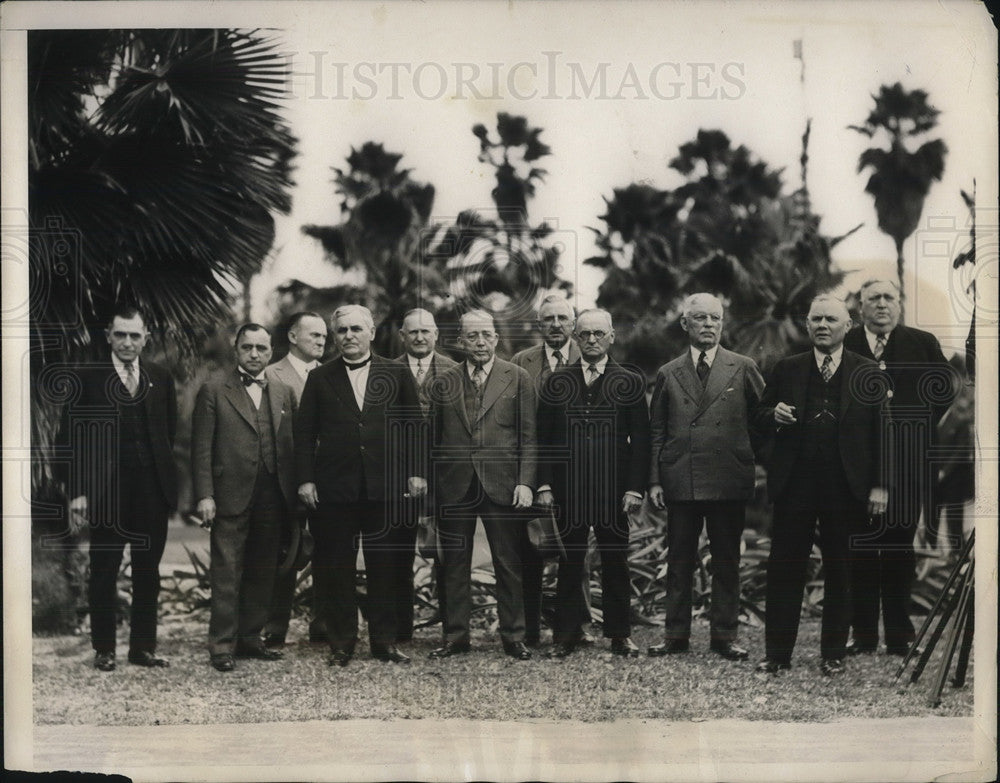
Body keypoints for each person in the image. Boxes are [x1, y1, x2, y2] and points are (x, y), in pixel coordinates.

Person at [755, 296, 888, 676]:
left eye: (832, 319)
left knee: (841, 569)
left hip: (847, 486)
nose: (823, 325)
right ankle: (777, 654)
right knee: (785, 568)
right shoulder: (787, 368)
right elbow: (759, 417)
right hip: (795, 483)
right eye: (816, 319)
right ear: (808, 325)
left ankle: (833, 654)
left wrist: (881, 487)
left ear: (848, 326)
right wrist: (774, 415)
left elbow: (884, 434)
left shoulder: (868, 372)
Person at [294, 305, 426, 667]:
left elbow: (413, 425)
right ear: (335, 337)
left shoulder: (396, 372)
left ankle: (384, 642)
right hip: (334, 490)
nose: (348, 336)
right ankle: (342, 643)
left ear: (370, 333)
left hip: (386, 488)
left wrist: (416, 472)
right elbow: (304, 433)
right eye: (342, 331)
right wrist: (305, 479)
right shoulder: (320, 378)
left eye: (355, 329)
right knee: (337, 567)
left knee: (385, 567)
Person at [647, 293, 764, 662]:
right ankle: (676, 635)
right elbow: (656, 431)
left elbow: (763, 422)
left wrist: (753, 463)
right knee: (679, 560)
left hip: (727, 477)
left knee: (727, 560)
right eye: (699, 318)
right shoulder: (668, 372)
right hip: (681, 478)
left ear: (723, 323)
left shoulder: (743, 367)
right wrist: (654, 481)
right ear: (685, 325)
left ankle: (724, 636)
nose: (708, 325)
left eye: (715, 318)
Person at [844, 278, 957, 656]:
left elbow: (944, 391)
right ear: (860, 308)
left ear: (899, 304)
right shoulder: (847, 343)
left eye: (888, 298)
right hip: (857, 467)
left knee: (898, 547)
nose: (881, 305)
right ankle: (862, 634)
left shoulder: (922, 344)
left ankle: (897, 632)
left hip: (908, 463)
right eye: (872, 299)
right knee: (859, 548)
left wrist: (914, 424)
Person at [61, 307, 178, 672]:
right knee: (105, 570)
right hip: (106, 492)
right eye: (120, 335)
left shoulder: (160, 377)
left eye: (135, 336)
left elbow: (167, 433)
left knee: (148, 571)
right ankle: (104, 649)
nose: (128, 343)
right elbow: (67, 440)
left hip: (150, 491)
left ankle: (142, 648)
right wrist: (79, 492)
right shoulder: (88, 379)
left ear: (146, 338)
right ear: (108, 337)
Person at [536, 309, 649, 659]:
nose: (591, 340)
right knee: (570, 562)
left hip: (613, 491)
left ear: (612, 336)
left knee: (616, 561)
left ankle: (619, 635)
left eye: (598, 333)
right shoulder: (558, 381)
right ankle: (566, 635)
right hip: (569, 490)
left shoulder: (628, 381)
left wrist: (634, 489)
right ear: (575, 337)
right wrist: (544, 485)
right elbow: (545, 439)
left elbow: (641, 441)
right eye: (584, 334)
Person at [428, 310, 537, 661]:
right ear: (461, 340)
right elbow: (432, 439)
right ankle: (455, 637)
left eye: (486, 335)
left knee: (507, 562)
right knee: (453, 563)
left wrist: (525, 483)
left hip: (501, 482)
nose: (479, 342)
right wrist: (433, 491)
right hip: (455, 483)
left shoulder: (517, 377)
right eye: (471, 336)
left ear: (496, 338)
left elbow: (530, 437)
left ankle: (513, 637)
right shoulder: (444, 380)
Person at [192, 324, 298, 672]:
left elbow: (291, 446)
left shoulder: (283, 390)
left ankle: (251, 639)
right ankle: (222, 646)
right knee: (227, 571)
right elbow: (201, 448)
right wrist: (205, 495)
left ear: (271, 352)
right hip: (229, 495)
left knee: (263, 569)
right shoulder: (214, 390)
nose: (254, 354)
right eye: (247, 347)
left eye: (261, 348)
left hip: (273, 493)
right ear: (236, 350)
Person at [511, 293, 592, 648]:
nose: (556, 325)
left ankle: (578, 625)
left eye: (563, 318)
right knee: (531, 548)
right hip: (530, 472)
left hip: (577, 473)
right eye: (549, 319)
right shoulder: (521, 362)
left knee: (576, 553)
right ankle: (530, 627)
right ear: (539, 324)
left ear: (573, 324)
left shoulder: (590, 356)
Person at [261, 311, 329, 649]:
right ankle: (273, 628)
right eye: (314, 335)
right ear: (292, 336)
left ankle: (324, 624)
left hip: (329, 482)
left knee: (330, 553)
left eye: (323, 337)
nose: (321, 341)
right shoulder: (270, 374)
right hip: (284, 482)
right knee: (283, 555)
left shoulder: (332, 374)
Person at [393, 307, 457, 639]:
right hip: (401, 479)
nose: (419, 337)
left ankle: (452, 627)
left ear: (436, 335)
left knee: (447, 554)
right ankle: (401, 629)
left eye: (425, 331)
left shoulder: (454, 370)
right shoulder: (386, 372)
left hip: (445, 479)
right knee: (400, 552)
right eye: (412, 332)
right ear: (402, 336)